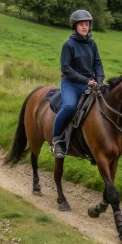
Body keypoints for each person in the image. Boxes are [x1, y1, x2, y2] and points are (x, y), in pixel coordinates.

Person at [51, 9, 105, 158]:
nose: (84, 27)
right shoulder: (68, 45)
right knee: (69, 106)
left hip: (91, 82)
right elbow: (66, 69)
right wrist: (87, 81)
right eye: (81, 24)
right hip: (71, 83)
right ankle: (56, 140)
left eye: (87, 24)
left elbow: (98, 63)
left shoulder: (92, 44)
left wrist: (99, 79)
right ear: (75, 26)